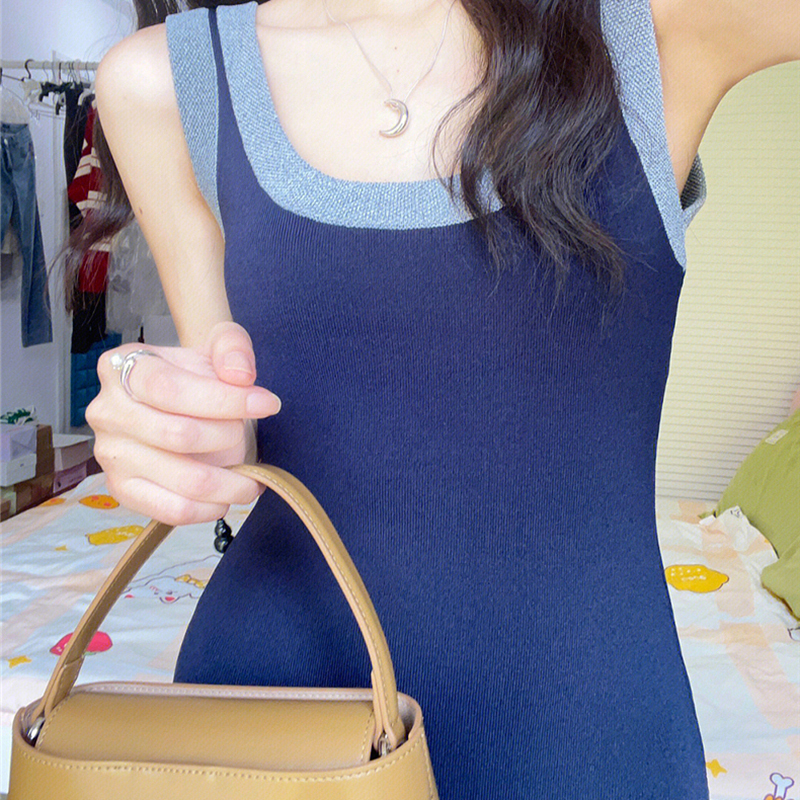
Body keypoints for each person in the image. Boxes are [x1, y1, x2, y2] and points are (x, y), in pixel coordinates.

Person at [72, 0, 798, 795]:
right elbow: (234, 404)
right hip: (284, 714)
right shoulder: (163, 80)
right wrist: (166, 420)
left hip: (584, 726)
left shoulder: (653, 27)